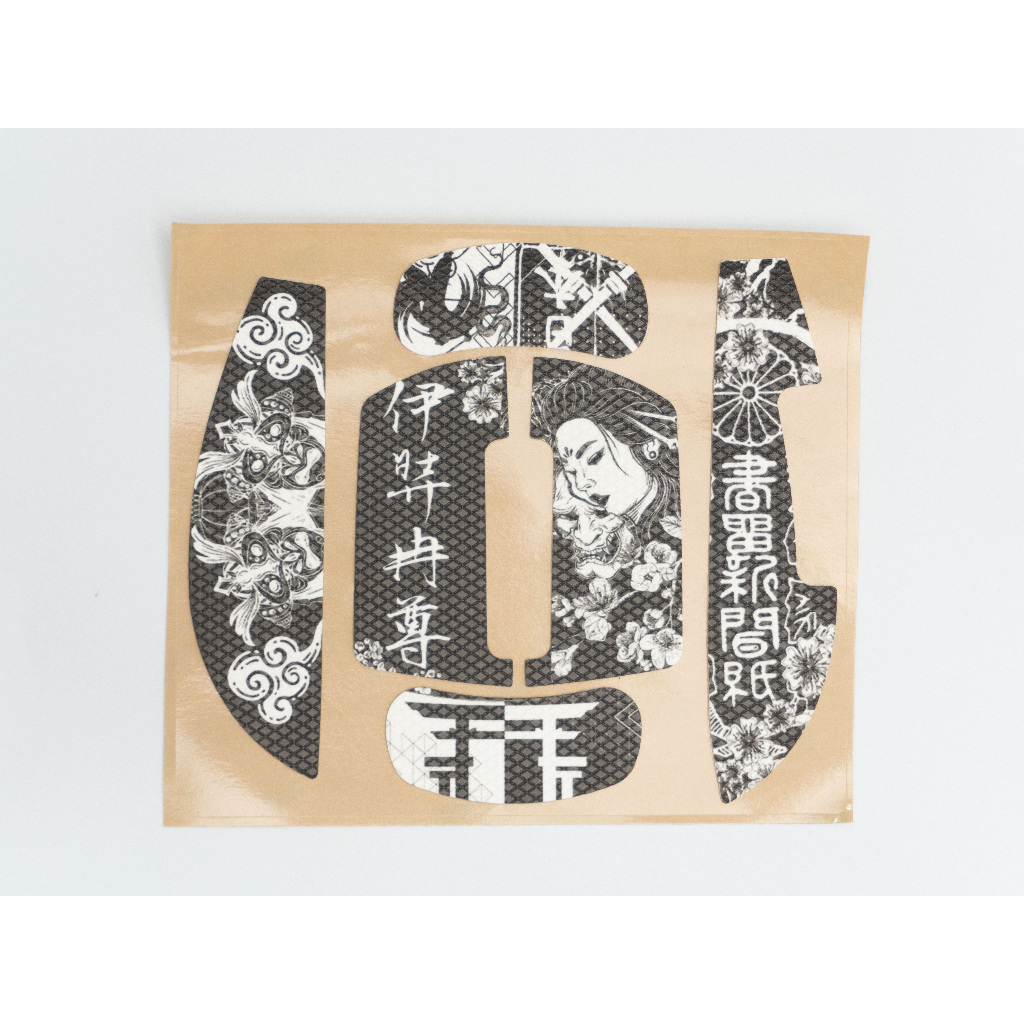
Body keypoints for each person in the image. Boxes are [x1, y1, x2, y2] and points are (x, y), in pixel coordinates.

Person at [533, 366, 679, 578]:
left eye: (594, 458)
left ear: (649, 444)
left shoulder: (684, 511)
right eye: (571, 471)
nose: (581, 484)